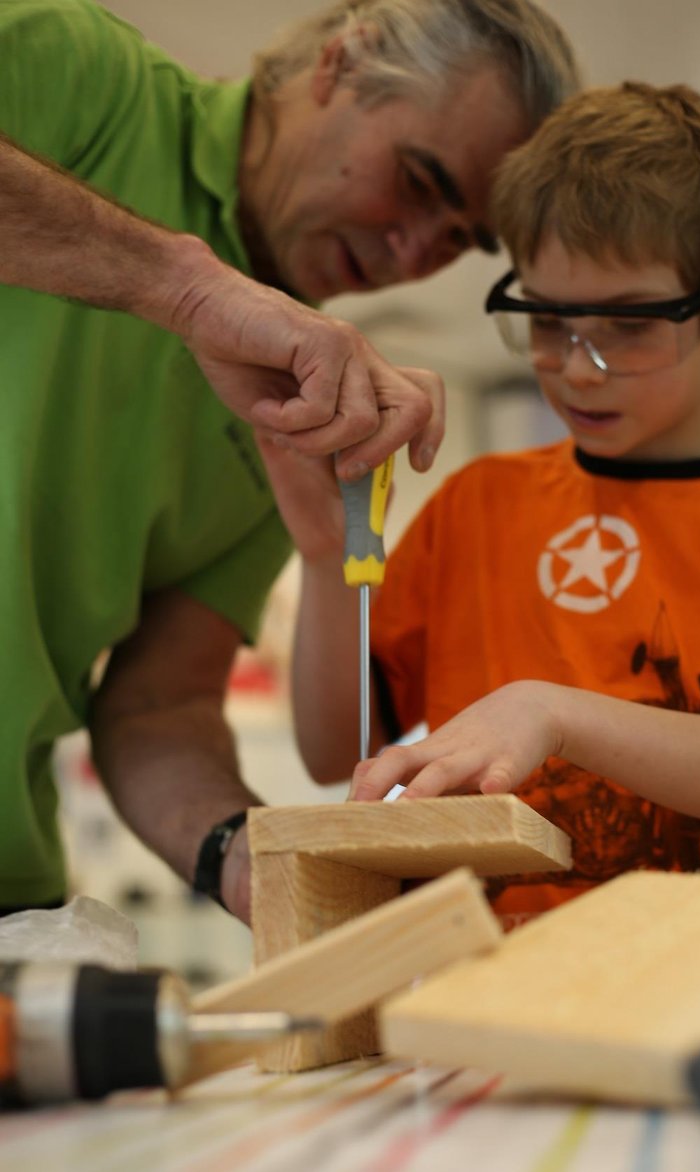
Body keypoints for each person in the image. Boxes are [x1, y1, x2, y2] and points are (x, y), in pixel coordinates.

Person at [0, 0, 579, 920]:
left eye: (460, 239)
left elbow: (158, 710)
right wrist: (180, 285)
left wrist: (256, 863)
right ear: (342, 62)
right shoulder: (81, 78)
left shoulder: (295, 404)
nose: (417, 252)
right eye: (421, 182)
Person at [281, 81, 700, 928]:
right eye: (548, 322)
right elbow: (334, 752)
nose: (580, 367)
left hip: (699, 994)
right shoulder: (479, 504)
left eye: (629, 325)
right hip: (480, 993)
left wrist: (553, 710)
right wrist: (329, 555)